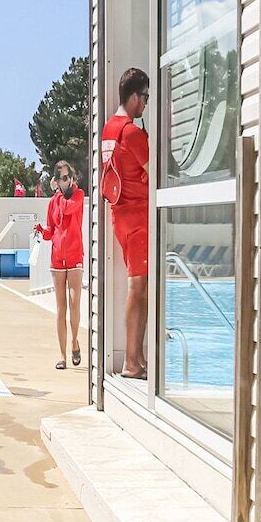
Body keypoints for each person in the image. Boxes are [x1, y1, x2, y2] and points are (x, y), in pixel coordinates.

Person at [100, 67, 150, 379]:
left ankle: (138, 357)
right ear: (133, 96)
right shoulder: (131, 132)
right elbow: (154, 169)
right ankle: (132, 362)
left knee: (139, 286)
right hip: (138, 218)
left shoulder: (109, 130)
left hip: (121, 216)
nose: (145, 104)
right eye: (144, 97)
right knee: (138, 286)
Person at [37, 160, 85, 369]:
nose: (65, 181)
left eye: (67, 177)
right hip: (57, 259)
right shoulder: (53, 202)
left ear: (72, 178)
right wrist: (41, 230)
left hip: (74, 257)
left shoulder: (78, 196)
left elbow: (67, 210)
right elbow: (51, 231)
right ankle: (63, 355)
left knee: (74, 304)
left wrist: (60, 192)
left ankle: (75, 342)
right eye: (61, 178)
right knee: (60, 308)